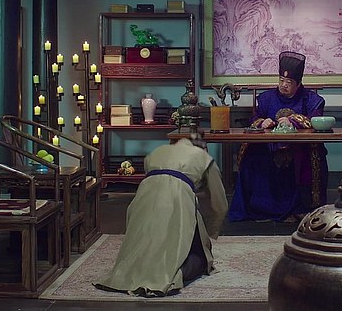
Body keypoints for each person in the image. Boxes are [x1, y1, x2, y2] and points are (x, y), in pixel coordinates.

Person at [95, 136, 228, 297]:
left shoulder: (156, 152)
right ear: (203, 148)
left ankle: (130, 272)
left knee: (142, 245)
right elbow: (219, 203)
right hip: (177, 200)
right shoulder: (204, 158)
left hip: (143, 198)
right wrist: (212, 230)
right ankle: (172, 274)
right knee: (199, 259)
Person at [228, 51, 328, 222]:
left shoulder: (311, 99)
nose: (283, 85)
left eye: (289, 82)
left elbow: (315, 119)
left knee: (308, 158)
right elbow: (254, 118)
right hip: (269, 148)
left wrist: (293, 120)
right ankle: (259, 208)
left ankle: (301, 208)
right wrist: (262, 122)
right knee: (252, 158)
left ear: (298, 83)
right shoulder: (266, 98)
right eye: (281, 80)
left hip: (299, 148)